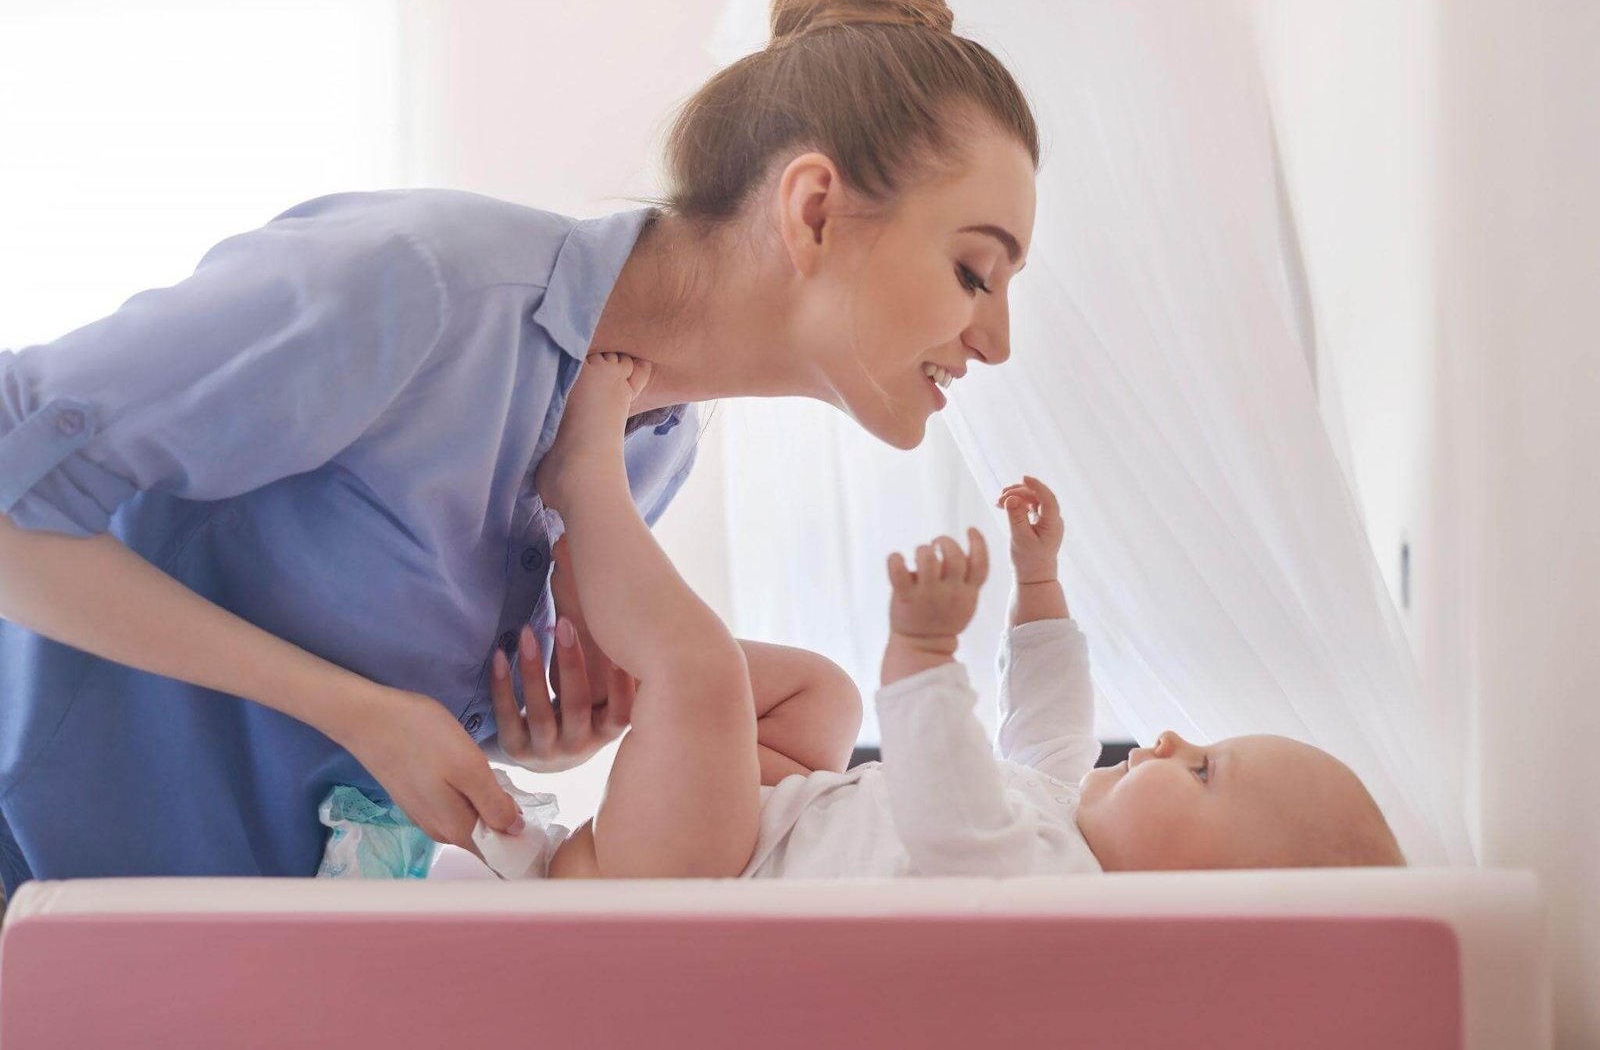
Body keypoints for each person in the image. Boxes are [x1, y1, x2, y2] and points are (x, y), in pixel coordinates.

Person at [0, 0, 1039, 896]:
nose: (995, 340)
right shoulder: (417, 286)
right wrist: (353, 710)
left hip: (206, 934)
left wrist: (525, 738)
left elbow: (367, 679)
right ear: (812, 210)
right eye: (975, 273)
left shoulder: (649, 445)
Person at [516, 353, 1405, 879]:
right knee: (822, 697)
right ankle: (612, 653)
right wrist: (1038, 579)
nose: (1172, 739)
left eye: (1205, 772)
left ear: (1208, 896)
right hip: (743, 831)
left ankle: (585, 485)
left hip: (694, 877)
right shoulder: (1062, 818)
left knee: (705, 673)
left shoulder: (1047, 893)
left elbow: (945, 808)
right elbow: (1051, 721)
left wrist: (924, 652)